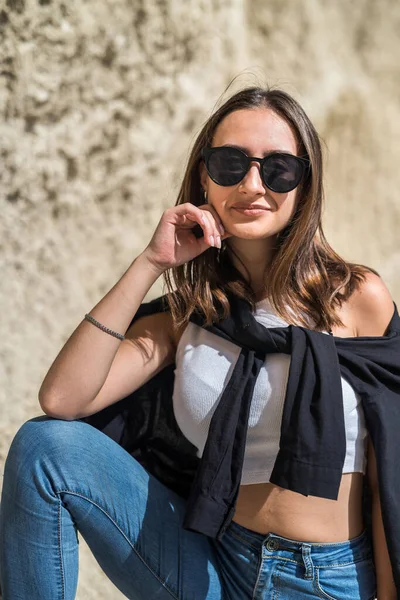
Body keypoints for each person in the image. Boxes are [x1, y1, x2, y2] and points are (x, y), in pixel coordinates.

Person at [0, 86, 397, 600]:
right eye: (231, 163)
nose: (253, 184)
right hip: (213, 566)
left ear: (305, 183)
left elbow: (392, 463)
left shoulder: (355, 297)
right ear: (204, 178)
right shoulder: (190, 313)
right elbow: (62, 401)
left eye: (278, 168)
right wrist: (151, 263)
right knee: (43, 447)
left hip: (328, 580)